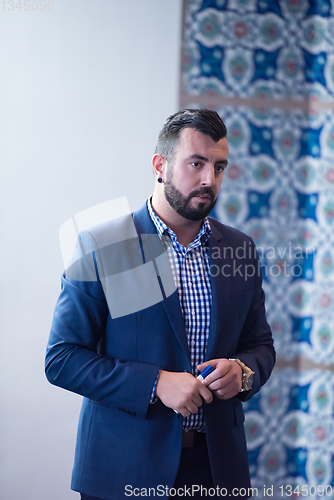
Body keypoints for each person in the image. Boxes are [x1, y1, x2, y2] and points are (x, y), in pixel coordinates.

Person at [45, 109, 275, 500]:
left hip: (216, 471)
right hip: (123, 470)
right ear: (160, 166)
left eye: (219, 167)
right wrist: (155, 384)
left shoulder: (240, 249)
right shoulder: (104, 245)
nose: (209, 180)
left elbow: (261, 346)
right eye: (196, 163)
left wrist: (243, 372)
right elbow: (62, 358)